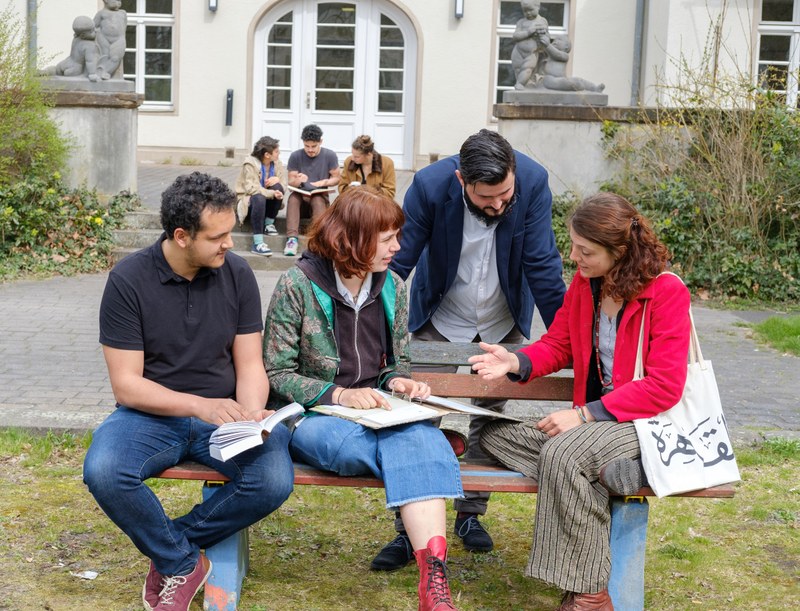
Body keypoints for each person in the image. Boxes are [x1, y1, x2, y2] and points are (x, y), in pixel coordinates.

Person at [469, 192, 691, 610]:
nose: (574, 257)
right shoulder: (587, 285)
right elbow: (559, 344)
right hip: (594, 430)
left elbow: (664, 386)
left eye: (585, 250)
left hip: (640, 423)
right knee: (495, 437)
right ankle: (609, 473)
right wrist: (514, 359)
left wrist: (585, 414)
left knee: (565, 454)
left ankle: (589, 594)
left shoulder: (666, 293)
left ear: (620, 251)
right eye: (573, 246)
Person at [83, 172, 294, 611]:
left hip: (228, 416)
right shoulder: (128, 280)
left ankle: (172, 545)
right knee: (105, 471)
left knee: (272, 480)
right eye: (217, 237)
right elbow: (127, 385)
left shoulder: (236, 273)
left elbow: (251, 363)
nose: (229, 244)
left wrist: (253, 412)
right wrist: (202, 405)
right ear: (181, 236)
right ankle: (181, 560)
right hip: (149, 416)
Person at [263, 187, 463, 611]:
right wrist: (338, 393)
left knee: (410, 438)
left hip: (380, 412)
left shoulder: (392, 286)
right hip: (315, 417)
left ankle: (433, 580)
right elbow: (277, 372)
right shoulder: (297, 284)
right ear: (351, 238)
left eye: (397, 236)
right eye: (387, 238)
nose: (398, 247)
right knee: (414, 445)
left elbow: (395, 363)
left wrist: (400, 384)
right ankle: (435, 451)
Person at [374, 129, 566, 570]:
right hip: (439, 314)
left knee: (487, 416)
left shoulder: (534, 181)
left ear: (515, 174)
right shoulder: (428, 186)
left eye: (505, 195)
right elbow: (399, 261)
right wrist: (375, 323)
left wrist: (569, 338)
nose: (498, 206)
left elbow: (541, 264)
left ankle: (471, 514)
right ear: (461, 180)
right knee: (416, 419)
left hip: (502, 321)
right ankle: (409, 529)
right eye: (486, 198)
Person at [284, 124, 341, 256]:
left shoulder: (330, 155)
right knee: (293, 198)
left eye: (313, 146)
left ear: (320, 141)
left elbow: (337, 178)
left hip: (319, 198)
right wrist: (298, 180)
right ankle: (291, 240)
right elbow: (291, 181)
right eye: (306, 146)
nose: (310, 150)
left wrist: (324, 182)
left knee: (317, 199)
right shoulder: (295, 156)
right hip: (301, 200)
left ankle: (318, 239)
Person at [234, 136, 286, 256]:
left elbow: (284, 184)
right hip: (251, 201)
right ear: (267, 155)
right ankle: (257, 243)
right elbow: (252, 189)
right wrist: (272, 193)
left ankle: (268, 224)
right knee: (259, 197)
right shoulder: (250, 164)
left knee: (278, 187)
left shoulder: (277, 163)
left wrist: (277, 180)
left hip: (267, 201)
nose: (279, 154)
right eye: (277, 152)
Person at [338, 134, 397, 199]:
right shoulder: (349, 162)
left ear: (369, 154)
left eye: (357, 157)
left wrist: (367, 191)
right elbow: (341, 187)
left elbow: (390, 192)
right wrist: (349, 189)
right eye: (352, 154)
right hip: (354, 204)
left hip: (377, 205)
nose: (352, 158)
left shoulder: (387, 163)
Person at [542, 35, 606, 93]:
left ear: (566, 47)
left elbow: (557, 55)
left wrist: (548, 46)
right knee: (573, 82)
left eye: (559, 39)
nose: (555, 41)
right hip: (550, 79)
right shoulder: (549, 54)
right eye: (554, 40)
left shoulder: (564, 55)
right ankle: (577, 84)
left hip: (560, 79)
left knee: (579, 80)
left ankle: (595, 88)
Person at [511, 0, 550, 89]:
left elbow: (547, 37)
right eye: (525, 11)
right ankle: (520, 83)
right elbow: (515, 36)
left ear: (538, 7)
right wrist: (528, 32)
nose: (528, 13)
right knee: (517, 68)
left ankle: (520, 83)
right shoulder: (521, 22)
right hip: (518, 51)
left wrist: (543, 37)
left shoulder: (542, 21)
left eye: (531, 10)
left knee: (528, 68)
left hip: (532, 52)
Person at [50, 16, 100, 81]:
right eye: (92, 31)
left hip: (67, 61)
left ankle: (45, 72)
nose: (95, 31)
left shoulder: (76, 39)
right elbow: (90, 61)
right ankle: (66, 74)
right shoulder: (89, 45)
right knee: (67, 73)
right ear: (83, 35)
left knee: (56, 69)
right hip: (76, 66)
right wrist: (92, 74)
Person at [93, 0, 127, 80]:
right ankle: (99, 72)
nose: (118, 2)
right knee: (104, 56)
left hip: (119, 39)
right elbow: (93, 26)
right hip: (104, 39)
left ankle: (105, 71)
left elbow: (124, 27)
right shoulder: (101, 13)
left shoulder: (122, 13)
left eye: (119, 0)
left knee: (115, 58)